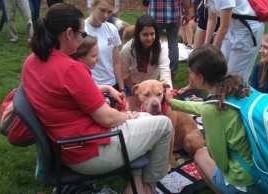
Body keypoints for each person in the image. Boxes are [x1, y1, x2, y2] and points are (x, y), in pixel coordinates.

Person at [22, 3, 173, 194]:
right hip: (88, 151)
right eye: (82, 35)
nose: (83, 38)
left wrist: (115, 100)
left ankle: (134, 182)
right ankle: (149, 187)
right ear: (69, 34)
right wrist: (127, 116)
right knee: (164, 125)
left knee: (146, 120)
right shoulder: (71, 69)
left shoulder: (31, 61)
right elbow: (107, 118)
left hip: (65, 145)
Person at [164, 44, 257, 193]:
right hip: (263, 169)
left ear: (200, 78)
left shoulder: (211, 111)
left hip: (243, 180)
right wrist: (173, 103)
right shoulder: (241, 88)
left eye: (190, 72)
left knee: (200, 155)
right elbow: (205, 107)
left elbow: (221, 163)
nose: (190, 75)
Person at [120, 15, 172, 111]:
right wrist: (136, 91)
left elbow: (165, 70)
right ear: (138, 34)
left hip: (153, 84)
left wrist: (168, 90)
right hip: (131, 83)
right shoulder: (127, 49)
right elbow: (123, 72)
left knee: (156, 112)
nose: (149, 38)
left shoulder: (161, 48)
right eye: (145, 34)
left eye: (152, 34)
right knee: (135, 113)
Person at [178, 0, 220, 94]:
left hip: (217, 25)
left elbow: (213, 20)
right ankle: (191, 84)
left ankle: (215, 88)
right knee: (194, 56)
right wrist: (195, 12)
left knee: (215, 58)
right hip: (203, 19)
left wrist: (207, 42)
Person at [85, 0, 125, 96]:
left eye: (109, 12)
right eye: (102, 10)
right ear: (93, 6)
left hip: (112, 84)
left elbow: (116, 61)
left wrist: (122, 88)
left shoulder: (111, 29)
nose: (106, 15)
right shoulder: (82, 29)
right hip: (91, 86)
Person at [70, 35, 123, 104]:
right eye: (94, 56)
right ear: (80, 57)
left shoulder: (80, 72)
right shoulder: (78, 76)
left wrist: (107, 89)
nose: (98, 58)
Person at [147, 0, 192, 80]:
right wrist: (188, 13)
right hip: (173, 15)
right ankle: (172, 74)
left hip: (156, 15)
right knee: (173, 45)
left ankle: (151, 72)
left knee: (152, 44)